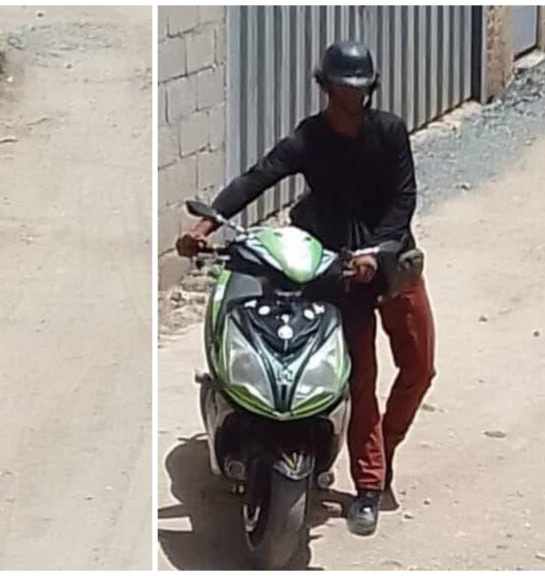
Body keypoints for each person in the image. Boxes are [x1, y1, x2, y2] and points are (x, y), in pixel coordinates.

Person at [176, 41, 436, 537]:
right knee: (359, 379)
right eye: (344, 88)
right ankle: (368, 486)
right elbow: (257, 178)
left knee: (420, 367)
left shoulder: (389, 132)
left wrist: (376, 252)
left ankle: (384, 448)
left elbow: (404, 201)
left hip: (393, 263)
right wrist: (205, 227)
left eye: (361, 88)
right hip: (338, 272)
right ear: (326, 87)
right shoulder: (310, 138)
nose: (353, 97)